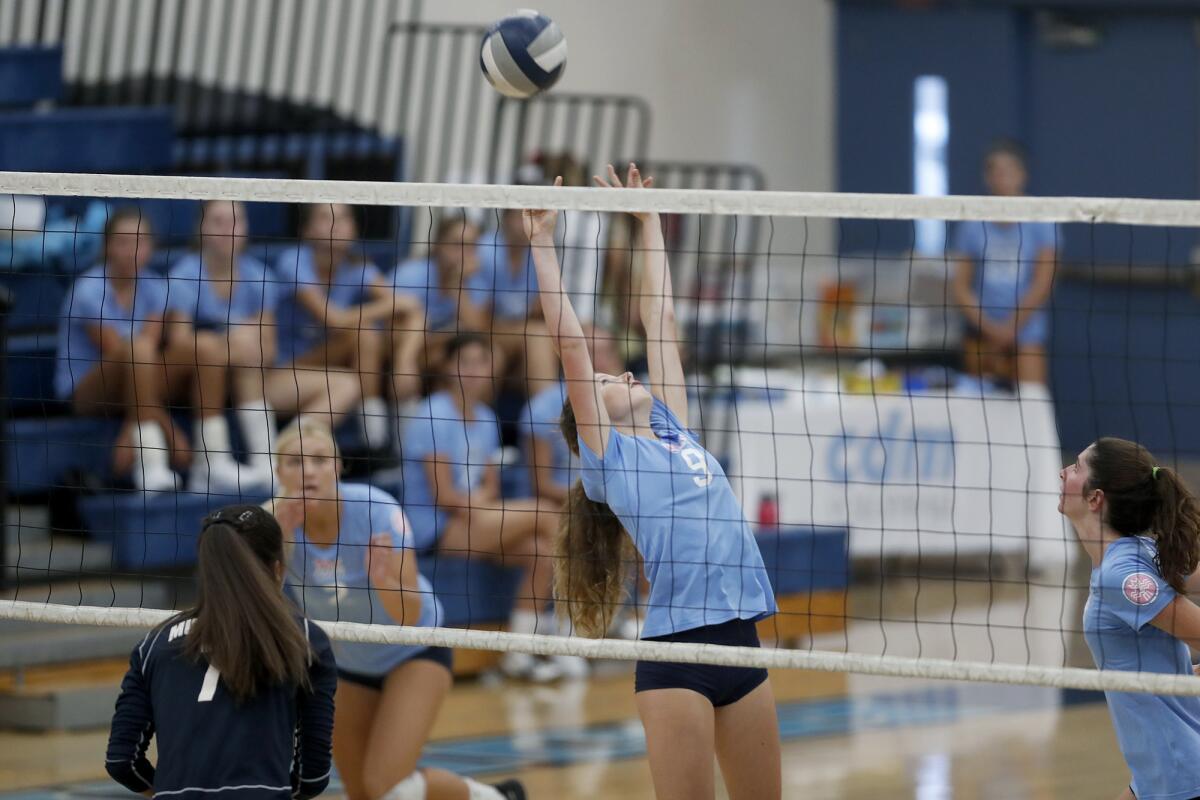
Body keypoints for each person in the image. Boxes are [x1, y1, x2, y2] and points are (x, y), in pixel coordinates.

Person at [526, 164, 781, 800]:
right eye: (610, 383)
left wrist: (647, 222)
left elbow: (659, 319)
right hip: (677, 658)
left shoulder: (675, 429)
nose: (623, 376)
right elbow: (572, 345)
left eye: (621, 374)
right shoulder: (608, 459)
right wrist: (542, 242)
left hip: (742, 642)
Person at [269, 421, 525, 800]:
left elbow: (408, 614)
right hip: (350, 663)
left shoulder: (375, 510)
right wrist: (279, 549)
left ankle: (498, 799)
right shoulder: (273, 523)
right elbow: (262, 605)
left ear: (338, 466)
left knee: (385, 784)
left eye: (319, 460)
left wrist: (383, 580)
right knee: (361, 792)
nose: (308, 471)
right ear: (279, 471)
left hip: (415, 650)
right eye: (295, 461)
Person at [105, 504, 336, 799]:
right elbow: (312, 775)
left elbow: (121, 762)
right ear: (278, 568)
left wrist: (168, 792)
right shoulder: (303, 639)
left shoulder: (154, 644)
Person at [399, 332, 573, 681]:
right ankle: (567, 633)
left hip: (474, 518)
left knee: (541, 552)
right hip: (436, 528)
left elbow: (490, 485)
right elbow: (444, 495)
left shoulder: (486, 417)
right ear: (448, 368)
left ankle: (519, 652)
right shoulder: (432, 413)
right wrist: (479, 504)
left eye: (482, 362)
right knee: (547, 514)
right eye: (466, 362)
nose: (475, 370)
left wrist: (481, 504)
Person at [54, 208, 246, 491]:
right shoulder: (87, 290)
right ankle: (152, 463)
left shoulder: (156, 287)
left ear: (151, 246)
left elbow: (148, 357)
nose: (133, 250)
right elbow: (121, 354)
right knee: (138, 350)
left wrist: (129, 427)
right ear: (107, 246)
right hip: (90, 391)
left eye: (140, 241)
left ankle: (213, 462)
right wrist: (171, 430)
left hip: (138, 384)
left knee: (205, 346)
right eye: (123, 241)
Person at [1059, 437, 1200, 800]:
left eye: (1075, 468)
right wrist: (1184, 676)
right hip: (1157, 776)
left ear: (1095, 498)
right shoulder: (1135, 554)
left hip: (1181, 774)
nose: (1063, 473)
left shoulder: (1119, 576)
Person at [272, 203, 422, 449]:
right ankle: (290, 449)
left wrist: (406, 361)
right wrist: (389, 306)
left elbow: (413, 310)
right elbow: (334, 319)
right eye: (325, 218)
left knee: (374, 334)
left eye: (343, 218)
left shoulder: (356, 267)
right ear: (307, 230)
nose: (336, 225)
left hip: (328, 364)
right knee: (363, 330)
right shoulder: (294, 261)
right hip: (285, 368)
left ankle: (381, 440)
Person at [166, 200, 279, 489]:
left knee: (251, 356)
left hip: (243, 376)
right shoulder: (183, 275)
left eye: (236, 221)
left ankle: (267, 463)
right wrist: (232, 340)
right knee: (213, 349)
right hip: (192, 378)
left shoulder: (259, 276)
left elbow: (268, 349)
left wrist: (238, 343)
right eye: (218, 221)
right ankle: (210, 464)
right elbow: (180, 344)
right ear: (201, 228)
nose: (228, 229)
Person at [950, 139, 1057, 388]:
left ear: (1023, 174)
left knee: (1030, 405)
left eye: (1009, 169)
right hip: (981, 331)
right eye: (995, 170)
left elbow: (1043, 282)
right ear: (987, 177)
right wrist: (990, 329)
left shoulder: (1041, 220)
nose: (1002, 176)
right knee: (979, 410)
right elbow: (961, 287)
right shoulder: (972, 224)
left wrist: (1010, 328)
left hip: (1026, 331)